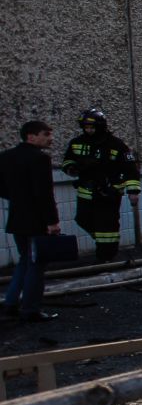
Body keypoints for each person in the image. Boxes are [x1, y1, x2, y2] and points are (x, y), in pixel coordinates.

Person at [1, 121, 63, 321]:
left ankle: (10, 303)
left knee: (24, 260)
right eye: (45, 134)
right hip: (36, 220)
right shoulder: (39, 159)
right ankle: (31, 309)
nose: (50, 138)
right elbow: (44, 193)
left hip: (17, 217)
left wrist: (17, 198)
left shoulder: (6, 157)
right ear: (31, 136)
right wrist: (52, 221)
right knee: (36, 264)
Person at [61, 107, 139, 263]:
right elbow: (67, 160)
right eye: (86, 127)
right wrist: (72, 168)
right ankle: (106, 249)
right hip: (86, 190)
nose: (89, 130)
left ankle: (106, 256)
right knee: (82, 219)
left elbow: (130, 169)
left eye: (92, 127)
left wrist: (133, 191)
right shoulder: (77, 143)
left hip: (108, 192)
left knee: (107, 227)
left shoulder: (116, 145)